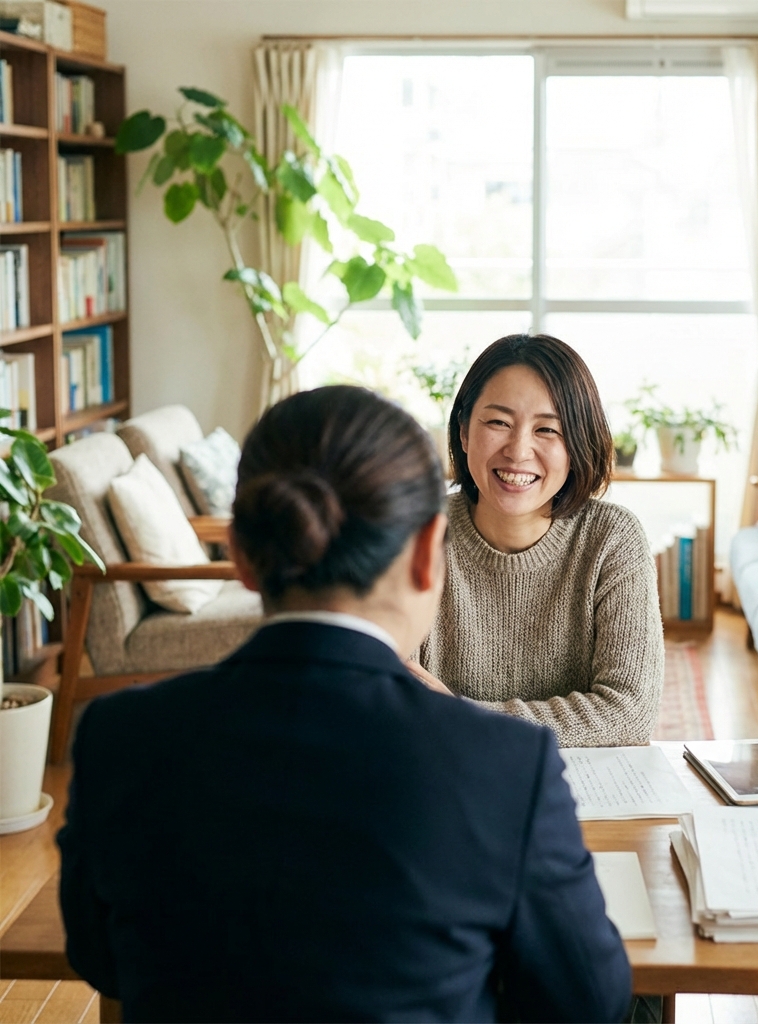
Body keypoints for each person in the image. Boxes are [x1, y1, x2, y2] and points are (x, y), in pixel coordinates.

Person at [57, 386, 632, 1024]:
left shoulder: (118, 735)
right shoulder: (506, 764)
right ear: (425, 556)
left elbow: (99, 956)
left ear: (242, 559)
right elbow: (587, 1000)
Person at [413, 334, 665, 747]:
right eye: (498, 423)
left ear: (577, 444)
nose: (518, 451)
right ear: (463, 432)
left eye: (547, 429)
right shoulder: (415, 530)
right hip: (443, 781)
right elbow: (396, 700)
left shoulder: (612, 540)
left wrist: (462, 716)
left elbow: (629, 714)